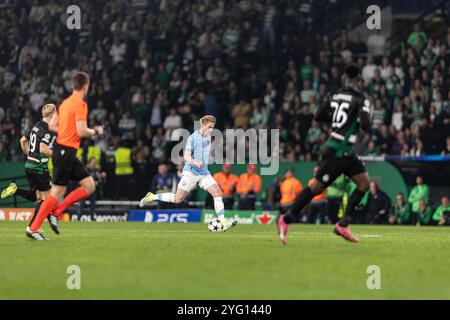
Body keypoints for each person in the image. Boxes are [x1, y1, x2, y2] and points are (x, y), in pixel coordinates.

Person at [277, 63, 372, 244]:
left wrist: (336, 119)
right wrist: (364, 112)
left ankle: (343, 224)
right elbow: (366, 124)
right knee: (316, 188)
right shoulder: (361, 98)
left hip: (343, 149)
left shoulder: (334, 95)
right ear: (359, 79)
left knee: (364, 183)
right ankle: (286, 218)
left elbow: (319, 115)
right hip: (338, 149)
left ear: (345, 77)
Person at [27, 72, 104, 240]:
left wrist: (67, 130)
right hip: (65, 151)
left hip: (67, 151)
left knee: (89, 185)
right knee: (56, 192)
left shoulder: (65, 103)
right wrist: (96, 131)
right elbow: (82, 131)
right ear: (86, 86)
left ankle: (57, 212)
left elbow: (54, 125)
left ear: (72, 86)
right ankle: (33, 228)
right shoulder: (80, 104)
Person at [139, 115, 238, 231]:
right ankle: (152, 196)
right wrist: (196, 163)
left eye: (213, 127)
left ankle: (223, 221)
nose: (211, 129)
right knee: (178, 199)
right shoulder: (193, 138)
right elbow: (186, 156)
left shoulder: (208, 136)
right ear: (202, 125)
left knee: (217, 193)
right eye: (209, 127)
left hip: (204, 173)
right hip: (191, 173)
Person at [1, 104, 59, 232]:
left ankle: (16, 190)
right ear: (52, 115)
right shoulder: (48, 129)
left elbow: (22, 140)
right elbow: (43, 149)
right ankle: (32, 228)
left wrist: (29, 154)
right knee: (47, 199)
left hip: (30, 165)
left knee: (37, 197)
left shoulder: (36, 126)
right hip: (39, 167)